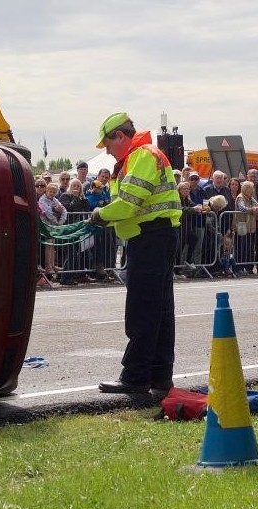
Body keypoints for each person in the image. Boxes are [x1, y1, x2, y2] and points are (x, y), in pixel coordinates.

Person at [88, 112, 181, 394]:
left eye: (107, 143)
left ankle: (136, 377)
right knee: (160, 310)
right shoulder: (139, 157)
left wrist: (100, 214)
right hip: (155, 236)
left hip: (150, 237)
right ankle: (160, 377)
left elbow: (127, 203)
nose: (106, 150)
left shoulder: (141, 155)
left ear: (120, 135)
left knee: (142, 309)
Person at [234, 180, 258, 273]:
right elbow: (242, 208)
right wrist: (253, 210)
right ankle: (238, 268)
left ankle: (248, 267)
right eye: (251, 189)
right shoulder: (240, 197)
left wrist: (255, 208)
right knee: (241, 248)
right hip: (242, 226)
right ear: (246, 189)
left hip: (250, 226)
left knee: (249, 248)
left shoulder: (250, 198)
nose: (253, 191)